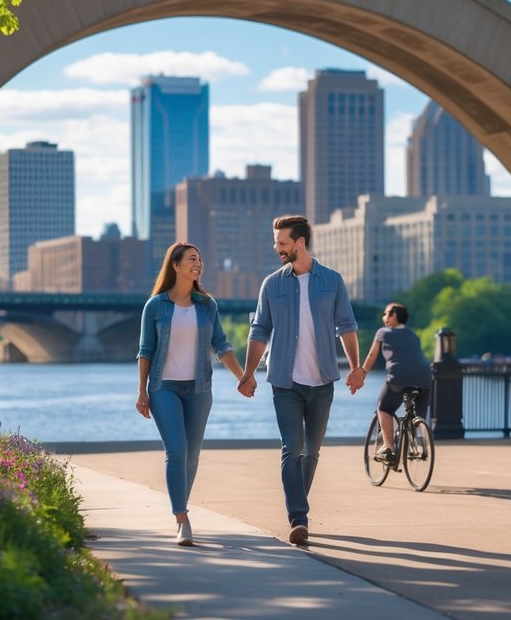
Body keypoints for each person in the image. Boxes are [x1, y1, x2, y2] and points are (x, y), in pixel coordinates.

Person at [239, 214, 362, 546]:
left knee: (312, 450)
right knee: (292, 448)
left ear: (300, 243)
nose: (276, 248)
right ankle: (298, 517)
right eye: (276, 242)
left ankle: (298, 506)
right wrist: (248, 372)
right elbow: (259, 329)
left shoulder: (332, 281)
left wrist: (356, 366)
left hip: (322, 380)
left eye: (281, 243)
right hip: (285, 381)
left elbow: (346, 326)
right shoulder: (272, 284)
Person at [136, 242, 247, 547]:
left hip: (199, 389)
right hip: (163, 388)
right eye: (192, 259)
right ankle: (182, 519)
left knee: (193, 455)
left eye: (200, 259)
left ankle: (179, 507)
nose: (198, 264)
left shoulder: (207, 305)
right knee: (177, 451)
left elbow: (221, 344)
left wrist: (242, 377)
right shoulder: (155, 306)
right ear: (175, 265)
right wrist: (141, 392)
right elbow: (145, 351)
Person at [359, 302, 433, 463]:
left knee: (383, 408)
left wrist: (363, 373)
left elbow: (372, 356)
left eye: (386, 313)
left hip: (399, 375)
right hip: (425, 376)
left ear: (393, 316)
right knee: (418, 416)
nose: (383, 317)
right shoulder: (413, 334)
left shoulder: (383, 332)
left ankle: (389, 449)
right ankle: (422, 444)